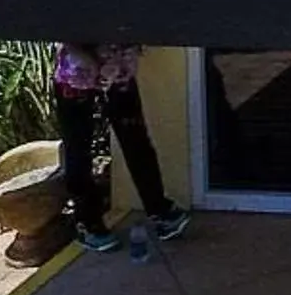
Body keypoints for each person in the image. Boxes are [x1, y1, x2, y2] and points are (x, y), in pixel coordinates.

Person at [52, 41, 189, 252]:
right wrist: (81, 53)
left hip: (116, 64)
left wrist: (130, 50)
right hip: (77, 68)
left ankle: (159, 209)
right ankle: (88, 222)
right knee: (78, 148)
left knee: (136, 139)